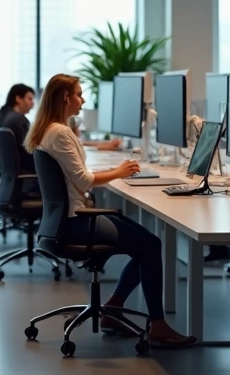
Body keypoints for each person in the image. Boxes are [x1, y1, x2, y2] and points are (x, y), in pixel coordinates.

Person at [25, 74, 196, 348]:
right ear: (65, 97)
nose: (82, 100)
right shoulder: (60, 132)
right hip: (76, 222)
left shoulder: (48, 130)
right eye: (79, 94)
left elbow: (75, 177)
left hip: (63, 220)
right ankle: (158, 327)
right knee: (150, 246)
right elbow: (83, 180)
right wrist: (120, 171)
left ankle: (113, 311)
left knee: (147, 244)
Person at [0, 83, 36, 174]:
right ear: (18, 98)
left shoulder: (4, 115)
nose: (33, 103)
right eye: (30, 99)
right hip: (25, 170)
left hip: (10, 172)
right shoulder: (19, 120)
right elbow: (29, 150)